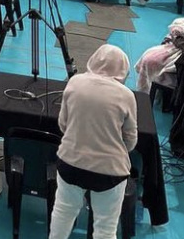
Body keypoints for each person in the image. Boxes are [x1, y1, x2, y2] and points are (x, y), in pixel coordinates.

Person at [48, 45, 137, 239]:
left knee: (63, 212)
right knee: (106, 227)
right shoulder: (127, 96)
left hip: (71, 163)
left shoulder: (74, 83)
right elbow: (130, 140)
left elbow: (63, 124)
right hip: (110, 171)